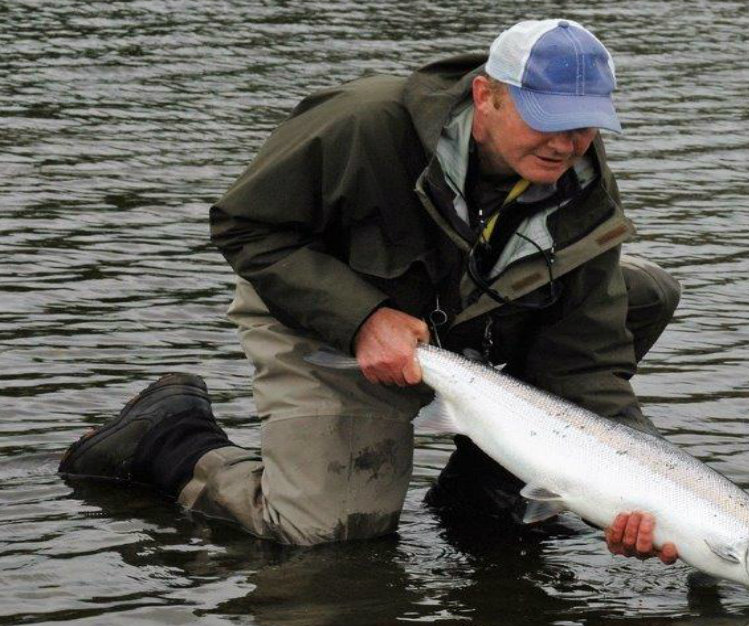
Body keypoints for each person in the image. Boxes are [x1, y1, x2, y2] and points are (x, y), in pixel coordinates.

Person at [59, 19, 681, 563]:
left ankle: (487, 485)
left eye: (585, 127)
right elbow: (246, 228)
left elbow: (587, 361)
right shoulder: (364, 124)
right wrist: (361, 318)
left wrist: (642, 493)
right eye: (547, 122)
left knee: (642, 291)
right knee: (325, 534)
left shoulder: (583, 185)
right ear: (485, 96)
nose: (566, 145)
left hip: (459, 321)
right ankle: (167, 437)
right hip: (317, 312)